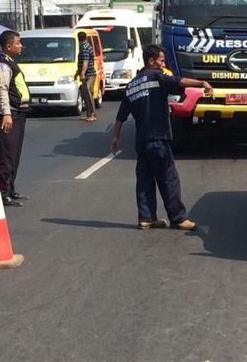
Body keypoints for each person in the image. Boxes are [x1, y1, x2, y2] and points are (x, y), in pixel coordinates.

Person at [110, 44, 213, 230]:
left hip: (141, 141)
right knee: (168, 178)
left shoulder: (131, 85)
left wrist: (115, 138)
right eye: (161, 60)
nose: (163, 64)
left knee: (144, 180)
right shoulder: (157, 76)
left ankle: (146, 218)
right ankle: (178, 218)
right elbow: (179, 81)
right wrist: (201, 83)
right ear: (151, 61)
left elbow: (120, 117)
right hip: (158, 138)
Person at [0, 30, 30, 207]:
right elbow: (2, 89)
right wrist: (6, 113)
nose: (20, 46)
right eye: (18, 43)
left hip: (18, 113)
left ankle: (10, 189)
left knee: (15, 154)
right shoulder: (2, 65)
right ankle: (3, 193)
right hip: (8, 114)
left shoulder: (10, 63)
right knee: (6, 154)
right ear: (8, 46)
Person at [76, 31, 97, 122]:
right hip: (87, 73)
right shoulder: (86, 46)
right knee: (85, 95)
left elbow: (85, 61)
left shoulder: (84, 48)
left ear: (79, 39)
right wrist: (78, 72)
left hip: (89, 74)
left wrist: (82, 73)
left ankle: (92, 114)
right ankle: (89, 114)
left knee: (88, 94)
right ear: (86, 38)